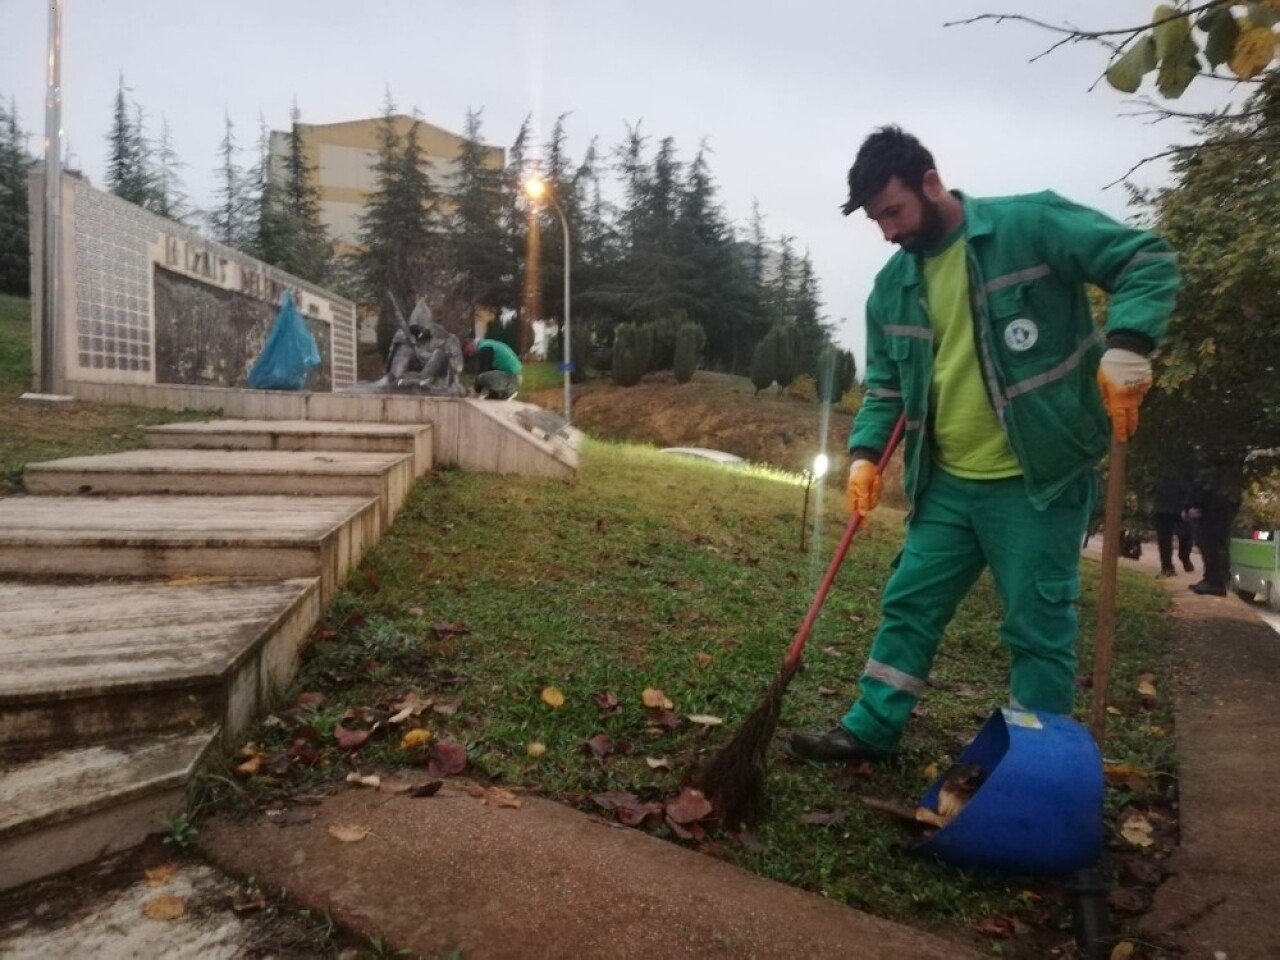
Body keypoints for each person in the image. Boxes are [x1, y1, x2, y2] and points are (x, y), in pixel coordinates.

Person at [785, 127, 1180, 765]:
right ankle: (871, 728)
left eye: (894, 211)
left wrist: (1129, 346)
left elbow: (1146, 258)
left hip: (1038, 479)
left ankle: (1033, 762)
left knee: (1037, 627)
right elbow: (886, 387)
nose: (887, 231)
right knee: (909, 603)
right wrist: (863, 456)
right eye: (876, 219)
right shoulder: (892, 288)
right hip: (945, 482)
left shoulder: (1031, 225)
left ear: (931, 183)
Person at [1152, 465, 1194, 578]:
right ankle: (1167, 567)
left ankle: (1184, 556)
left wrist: (1188, 504)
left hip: (1181, 501)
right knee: (1164, 537)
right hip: (1163, 502)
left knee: (1186, 534)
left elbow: (1191, 480)